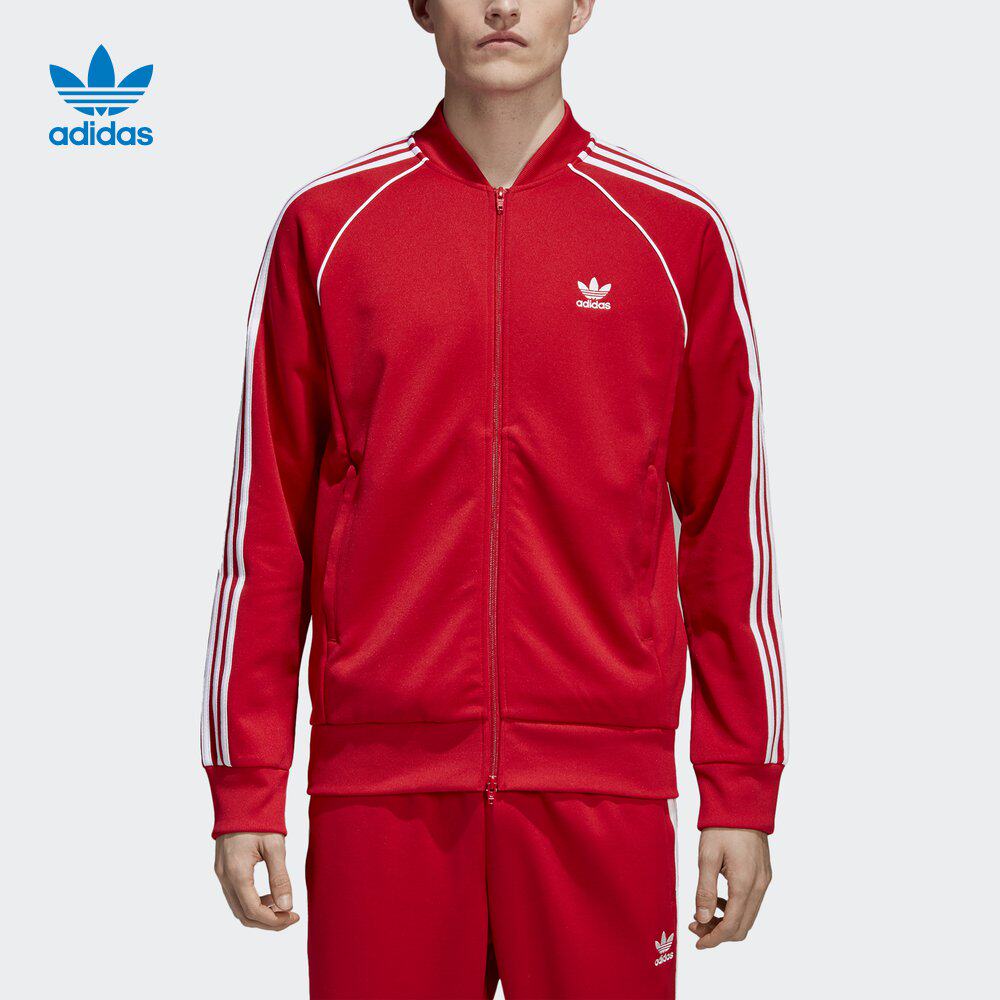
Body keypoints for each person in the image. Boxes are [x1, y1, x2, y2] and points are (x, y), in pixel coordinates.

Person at [200, 1, 788, 996]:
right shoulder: (329, 227)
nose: (503, 6)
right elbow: (267, 531)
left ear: (582, 4)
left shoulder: (672, 233)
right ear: (421, 6)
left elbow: (730, 532)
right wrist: (247, 783)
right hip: (382, 791)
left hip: (600, 787)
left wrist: (740, 786)